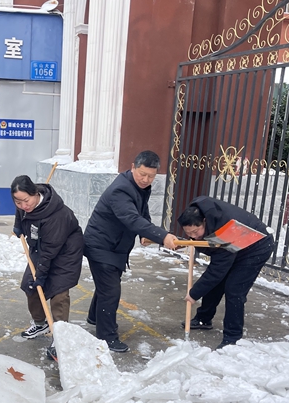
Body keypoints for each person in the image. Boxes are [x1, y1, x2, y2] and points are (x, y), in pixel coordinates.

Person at [83, 150, 178, 352]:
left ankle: (94, 317)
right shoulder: (121, 190)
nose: (145, 179)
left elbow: (141, 211)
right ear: (133, 167)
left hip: (115, 246)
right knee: (110, 291)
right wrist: (162, 236)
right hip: (101, 245)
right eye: (142, 174)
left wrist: (147, 234)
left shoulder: (139, 187)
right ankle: (106, 337)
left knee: (107, 285)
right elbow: (131, 219)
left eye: (151, 176)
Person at [178, 196, 274, 349]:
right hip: (236, 244)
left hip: (256, 246)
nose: (193, 236)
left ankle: (232, 338)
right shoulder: (197, 212)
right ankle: (204, 318)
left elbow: (217, 269)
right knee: (217, 283)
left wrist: (194, 293)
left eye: (196, 232)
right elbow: (206, 246)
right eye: (189, 233)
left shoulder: (224, 228)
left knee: (234, 290)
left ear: (204, 221)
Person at [12, 175, 84, 360]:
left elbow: (50, 251)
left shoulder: (57, 215)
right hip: (42, 247)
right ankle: (40, 323)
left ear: (35, 193)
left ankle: (60, 336)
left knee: (59, 292)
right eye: (18, 202)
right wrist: (18, 226)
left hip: (65, 252)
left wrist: (41, 275)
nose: (23, 206)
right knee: (31, 285)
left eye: (26, 201)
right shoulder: (24, 205)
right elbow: (20, 214)